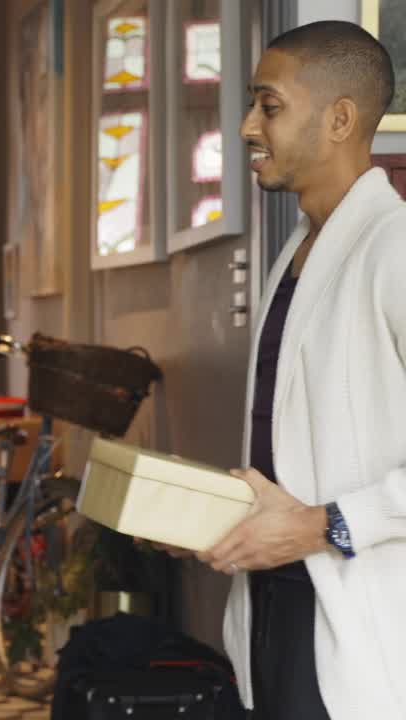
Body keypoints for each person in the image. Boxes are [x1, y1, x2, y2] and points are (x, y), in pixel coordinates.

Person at [162, 20, 406, 720]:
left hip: (357, 615)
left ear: (339, 119)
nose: (246, 127)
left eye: (269, 105)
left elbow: (316, 507)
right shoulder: (297, 255)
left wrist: (322, 527)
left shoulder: (394, 250)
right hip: (277, 605)